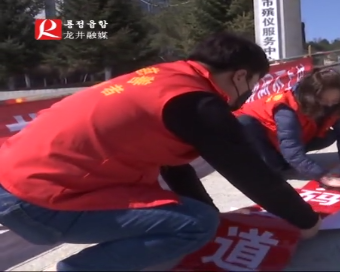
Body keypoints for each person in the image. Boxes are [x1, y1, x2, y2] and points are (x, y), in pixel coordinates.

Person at [0, 33, 323, 271]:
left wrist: (214, 213)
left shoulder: (162, 79)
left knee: (199, 216)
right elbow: (250, 173)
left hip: (16, 178)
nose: (248, 93)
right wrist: (305, 220)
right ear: (240, 75)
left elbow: (172, 162)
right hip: (34, 201)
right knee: (195, 225)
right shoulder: (198, 103)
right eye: (251, 83)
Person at [234, 69, 340, 188]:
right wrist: (324, 177)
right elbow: (291, 148)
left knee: (329, 136)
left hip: (282, 137)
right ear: (311, 97)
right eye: (324, 100)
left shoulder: (336, 105)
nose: (330, 105)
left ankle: (284, 159)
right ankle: (271, 162)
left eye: (335, 101)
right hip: (253, 135)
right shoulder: (287, 107)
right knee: (276, 167)